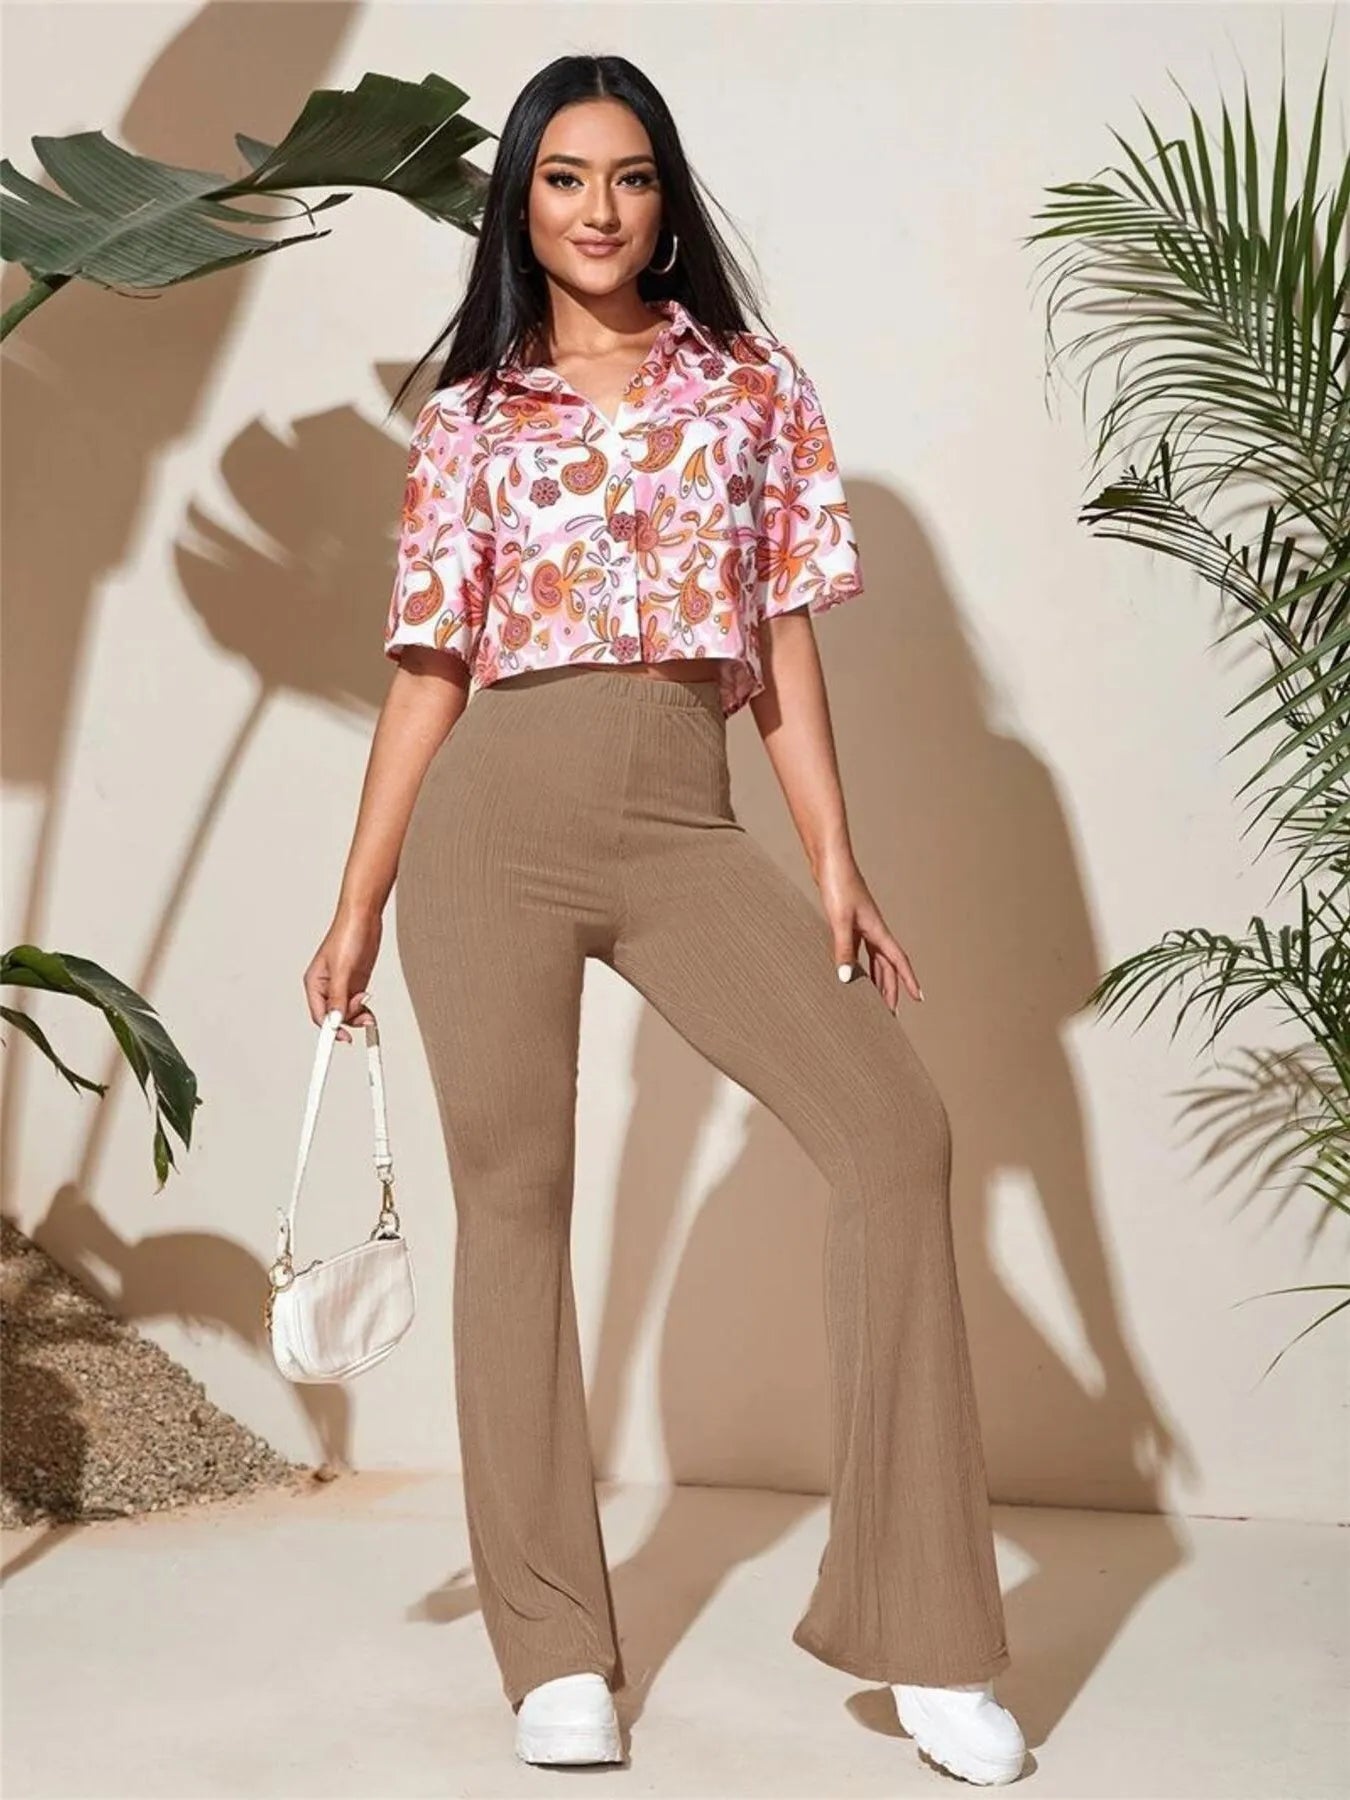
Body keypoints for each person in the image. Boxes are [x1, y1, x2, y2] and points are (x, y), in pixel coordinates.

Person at [304, 52, 1027, 1790]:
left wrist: (831, 859)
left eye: (628, 177)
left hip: (680, 812)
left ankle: (925, 1641)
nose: (600, 210)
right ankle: (553, 1645)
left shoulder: (752, 387)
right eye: (562, 180)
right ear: (522, 205)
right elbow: (426, 671)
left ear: (665, 193)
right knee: (515, 1207)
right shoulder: (473, 416)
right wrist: (356, 896)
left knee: (891, 1133)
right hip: (494, 822)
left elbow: (782, 639)